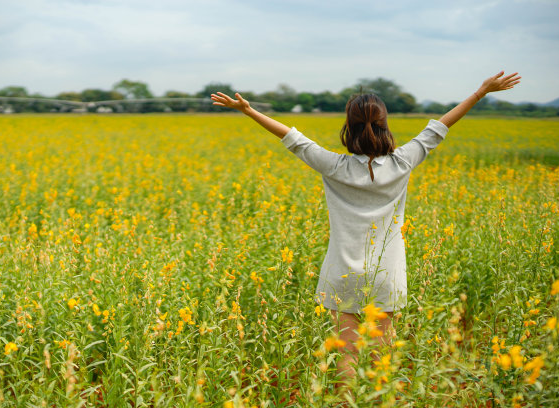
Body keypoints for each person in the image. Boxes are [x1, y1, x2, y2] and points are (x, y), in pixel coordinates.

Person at [210, 71, 521, 397]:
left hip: (341, 271)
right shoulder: (402, 163)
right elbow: (438, 128)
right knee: (380, 351)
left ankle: (347, 403)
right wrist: (481, 92)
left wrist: (247, 110)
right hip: (387, 272)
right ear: (384, 124)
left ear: (349, 126)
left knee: (345, 351)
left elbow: (292, 138)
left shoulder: (334, 166)